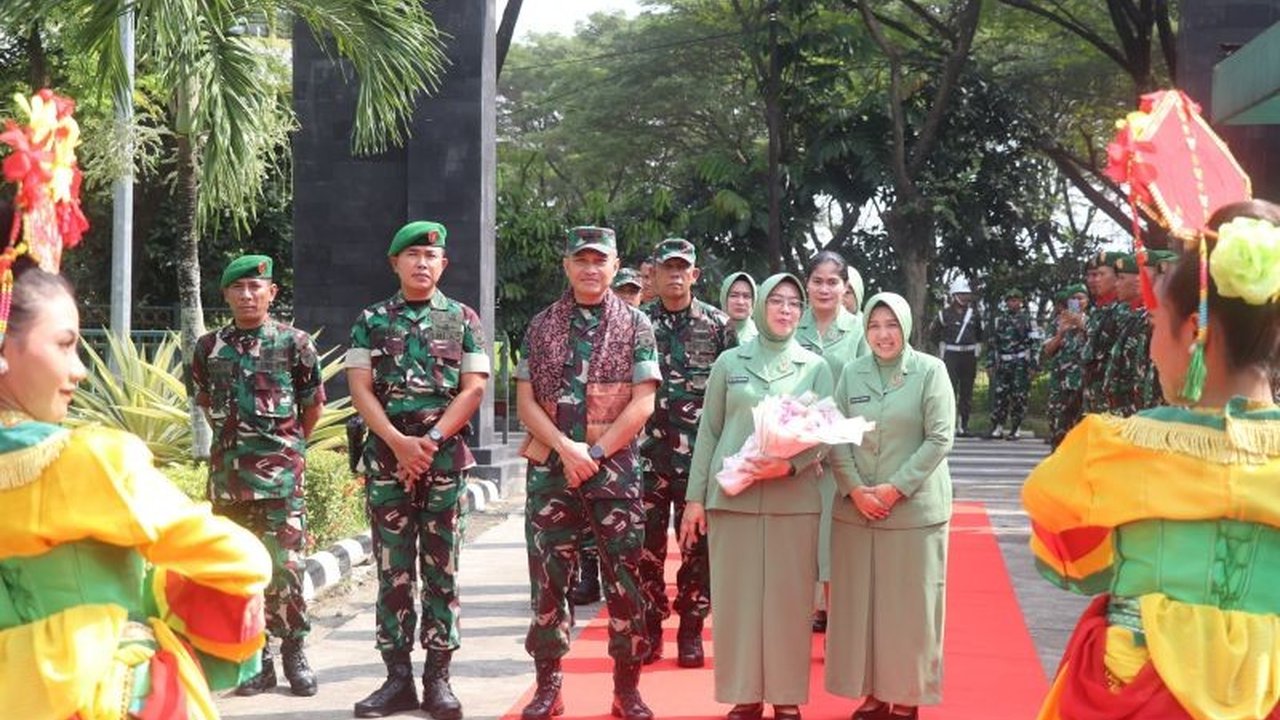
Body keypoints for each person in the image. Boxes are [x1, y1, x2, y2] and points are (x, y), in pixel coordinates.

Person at [0, 190, 271, 716]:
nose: (79, 368)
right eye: (64, 344)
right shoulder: (95, 463)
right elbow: (238, 561)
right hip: (95, 694)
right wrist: (152, 605)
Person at [1024, 199, 1280, 718]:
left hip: (1140, 679)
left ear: (1192, 329)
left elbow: (1068, 557)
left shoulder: (1113, 448)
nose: (1151, 348)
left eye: (1155, 326)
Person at [346, 220, 490, 719]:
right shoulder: (372, 320)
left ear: (443, 264)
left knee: (442, 568)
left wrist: (426, 443)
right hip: (388, 459)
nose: (422, 263)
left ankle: (439, 679)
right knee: (393, 570)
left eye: (432, 256)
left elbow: (472, 387)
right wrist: (397, 443)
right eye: (413, 256)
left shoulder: (464, 318)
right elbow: (360, 387)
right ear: (396, 263)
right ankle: (397, 678)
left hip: (443, 459)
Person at [516, 226, 660, 720]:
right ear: (567, 266)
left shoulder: (636, 324)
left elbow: (643, 404)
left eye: (600, 260)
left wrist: (593, 453)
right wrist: (565, 449)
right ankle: (548, 687)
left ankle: (627, 690)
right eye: (582, 260)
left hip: (613, 475)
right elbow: (525, 402)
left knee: (625, 583)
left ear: (615, 266)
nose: (591, 268)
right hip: (553, 474)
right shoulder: (541, 326)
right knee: (549, 582)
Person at [680, 273, 835, 720]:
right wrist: (695, 499)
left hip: (794, 498)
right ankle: (744, 694)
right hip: (734, 498)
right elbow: (709, 433)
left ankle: (786, 698)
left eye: (793, 303)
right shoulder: (730, 362)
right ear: (763, 306)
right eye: (777, 302)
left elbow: (825, 435)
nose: (785, 310)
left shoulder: (815, 365)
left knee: (789, 603)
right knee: (737, 602)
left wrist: (790, 464)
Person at [189, 254, 325, 698]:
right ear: (226, 295)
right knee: (238, 573)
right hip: (229, 483)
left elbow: (313, 404)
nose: (248, 295)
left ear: (272, 293)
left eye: (255, 287)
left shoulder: (294, 344)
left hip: (282, 481)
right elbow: (207, 404)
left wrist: (287, 451)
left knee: (285, 569)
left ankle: (295, 653)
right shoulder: (208, 348)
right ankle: (257, 660)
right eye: (238, 288)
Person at [825, 292, 955, 720]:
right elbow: (837, 436)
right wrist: (856, 490)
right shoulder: (852, 373)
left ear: (906, 327)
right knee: (864, 606)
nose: (883, 335)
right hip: (857, 511)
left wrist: (895, 489)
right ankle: (875, 693)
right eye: (875, 326)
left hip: (913, 513)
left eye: (891, 325)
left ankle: (907, 697)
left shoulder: (929, 371)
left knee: (911, 609)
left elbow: (939, 438)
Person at [638, 238, 733, 668]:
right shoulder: (637, 324)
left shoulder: (717, 325)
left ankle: (692, 630)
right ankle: (651, 626)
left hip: (699, 461)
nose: (675, 275)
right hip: (647, 461)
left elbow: (734, 391)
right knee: (646, 549)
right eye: (667, 268)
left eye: (683, 268)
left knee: (698, 551)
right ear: (653, 276)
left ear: (694, 275)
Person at [794, 251, 868, 633]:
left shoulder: (860, 331)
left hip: (841, 457)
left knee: (833, 545)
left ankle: (841, 628)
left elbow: (865, 393)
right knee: (797, 543)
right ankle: (793, 621)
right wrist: (800, 446)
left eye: (832, 281)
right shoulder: (791, 323)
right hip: (793, 456)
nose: (825, 289)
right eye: (817, 281)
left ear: (845, 287)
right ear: (807, 283)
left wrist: (826, 447)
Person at [927, 278, 983, 437]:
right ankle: (948, 424)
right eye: (962, 294)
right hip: (951, 355)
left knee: (966, 392)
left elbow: (980, 334)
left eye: (967, 294)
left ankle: (963, 425)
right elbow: (933, 335)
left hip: (968, 356)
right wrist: (942, 347)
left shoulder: (974, 315)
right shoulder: (944, 314)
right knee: (949, 390)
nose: (965, 298)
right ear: (954, 295)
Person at [985, 288, 1038, 440]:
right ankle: (998, 426)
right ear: (1006, 302)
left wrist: (1033, 365)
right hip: (1003, 362)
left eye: (1016, 300)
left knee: (1019, 396)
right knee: (1000, 395)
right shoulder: (999, 320)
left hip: (1020, 363)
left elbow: (1035, 343)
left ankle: (1016, 427)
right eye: (1010, 300)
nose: (1013, 303)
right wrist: (990, 363)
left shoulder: (1028, 320)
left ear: (1021, 302)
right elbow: (992, 344)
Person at [1042, 283, 1089, 448]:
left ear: (1087, 301)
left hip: (1083, 385)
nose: (1077, 301)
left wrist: (1082, 326)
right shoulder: (1057, 322)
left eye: (1080, 298)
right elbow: (1047, 351)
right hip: (1060, 385)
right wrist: (1061, 333)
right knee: (1058, 429)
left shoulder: (1092, 322)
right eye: (1073, 299)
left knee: (1082, 429)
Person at [1081, 251, 1125, 413]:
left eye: (1100, 274)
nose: (1095, 280)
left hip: (1112, 396)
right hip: (1094, 390)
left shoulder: (1122, 310)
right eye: (1092, 275)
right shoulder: (1098, 309)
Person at [720, 271, 758, 345]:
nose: (740, 302)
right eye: (734, 295)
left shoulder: (761, 338)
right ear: (724, 299)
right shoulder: (713, 334)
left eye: (746, 296)